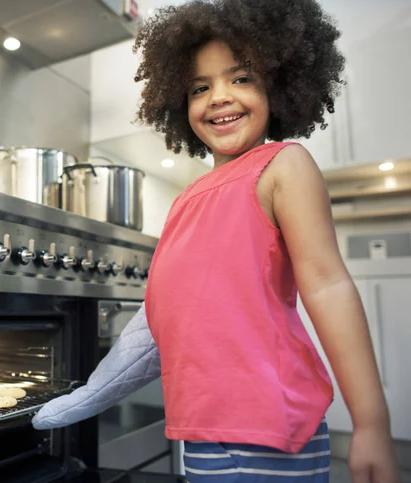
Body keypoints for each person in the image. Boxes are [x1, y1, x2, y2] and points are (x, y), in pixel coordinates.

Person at [33, 0, 402, 481]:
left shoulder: (283, 165)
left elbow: (328, 286)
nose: (219, 97)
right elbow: (160, 318)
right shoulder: (188, 199)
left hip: (266, 424)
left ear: (280, 84)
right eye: (199, 87)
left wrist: (372, 422)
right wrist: (89, 395)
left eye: (241, 78)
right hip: (202, 425)